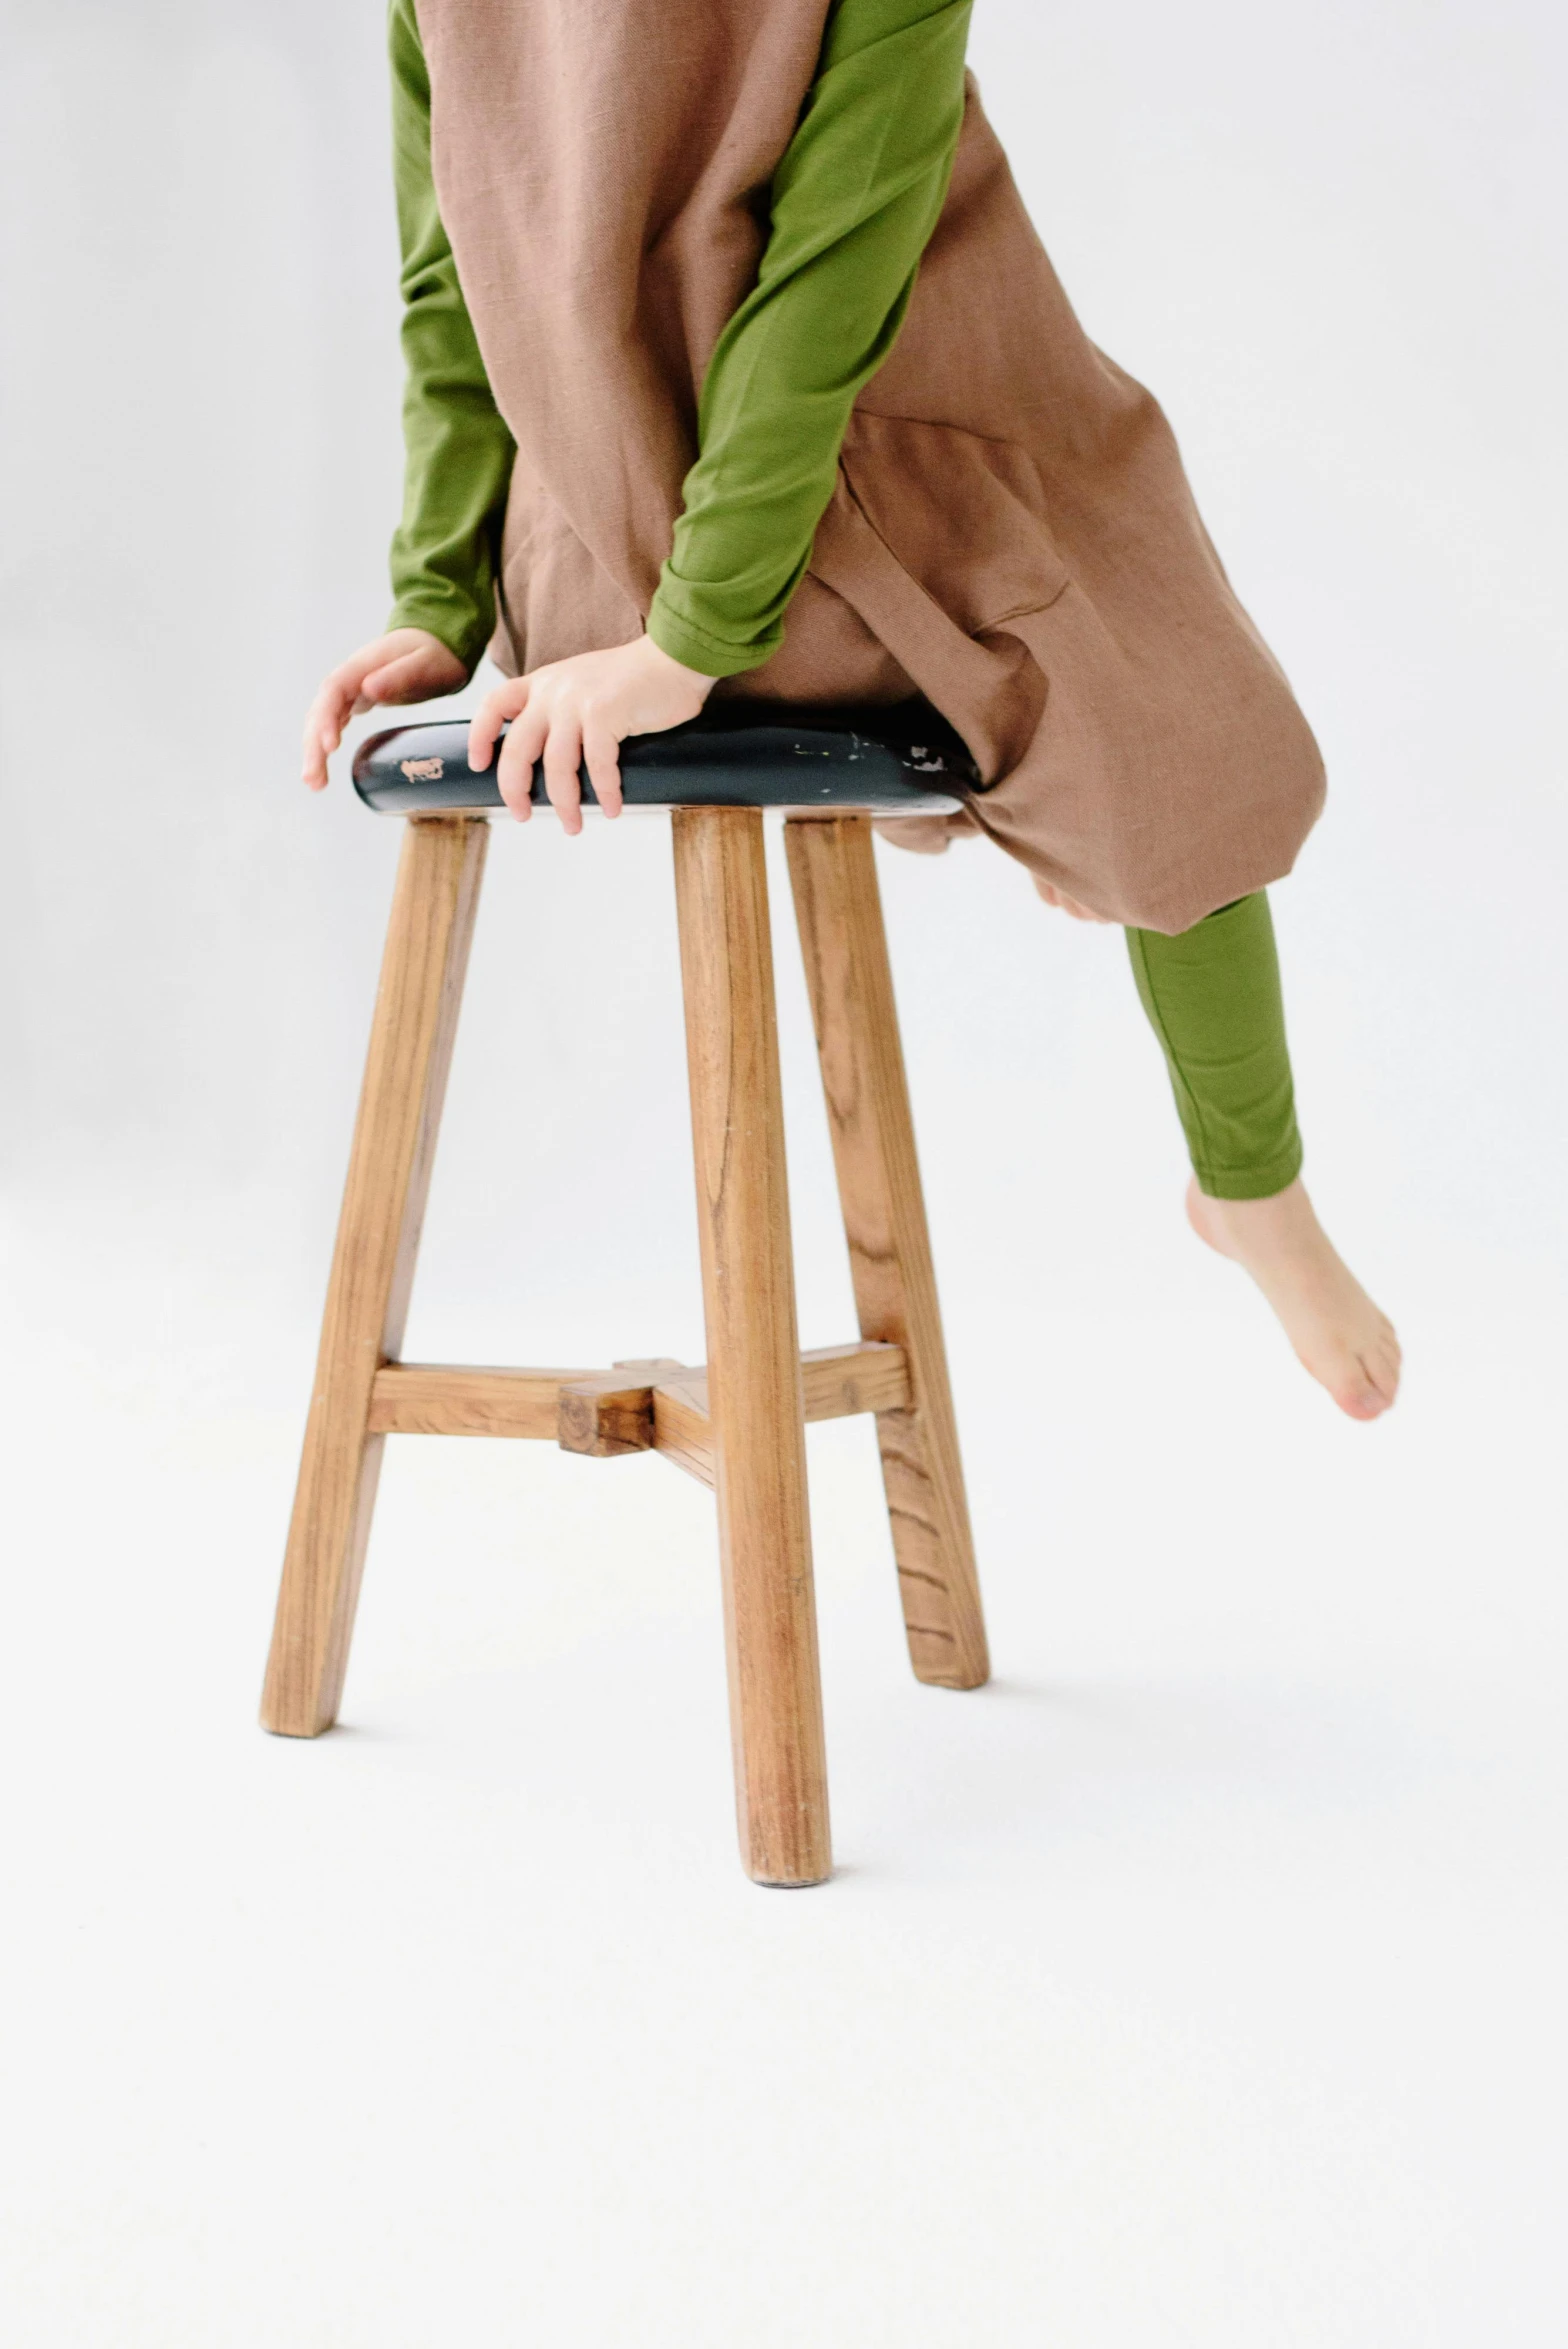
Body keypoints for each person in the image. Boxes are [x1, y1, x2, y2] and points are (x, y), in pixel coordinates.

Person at [302, 0, 1399, 1421]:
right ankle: (1252, 1175)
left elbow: (452, 285)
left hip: (617, 573)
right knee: (1175, 709)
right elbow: (826, 280)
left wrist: (453, 593)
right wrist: (482, 617)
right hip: (806, 537)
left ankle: (1072, 818)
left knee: (1127, 697)